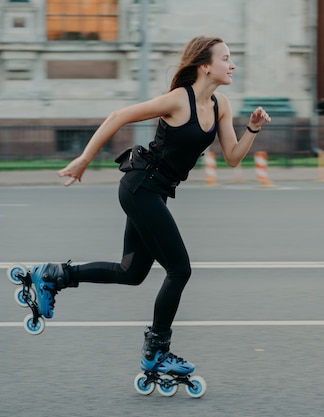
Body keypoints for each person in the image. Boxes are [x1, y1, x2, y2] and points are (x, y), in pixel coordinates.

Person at [31, 36, 271, 376]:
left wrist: (252, 129)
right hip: (140, 186)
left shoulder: (221, 105)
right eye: (226, 58)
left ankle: (54, 275)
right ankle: (157, 351)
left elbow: (232, 158)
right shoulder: (178, 100)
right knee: (180, 269)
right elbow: (118, 116)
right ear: (205, 66)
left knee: (131, 273)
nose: (232, 65)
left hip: (154, 191)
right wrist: (84, 159)